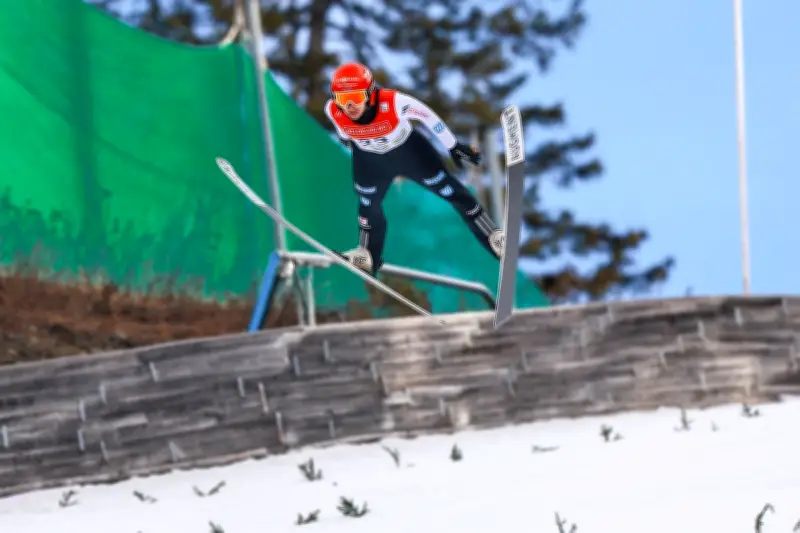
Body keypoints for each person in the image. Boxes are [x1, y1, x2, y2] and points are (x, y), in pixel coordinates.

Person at [323, 61, 505, 276]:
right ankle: (368, 254)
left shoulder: (393, 101)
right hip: (371, 159)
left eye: (355, 98)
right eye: (343, 99)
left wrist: (453, 146)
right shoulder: (333, 110)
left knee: (450, 191)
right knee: (367, 204)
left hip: (408, 153)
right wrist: (347, 140)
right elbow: (342, 130)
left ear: (370, 94)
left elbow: (428, 116)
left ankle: (492, 236)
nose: (349, 106)